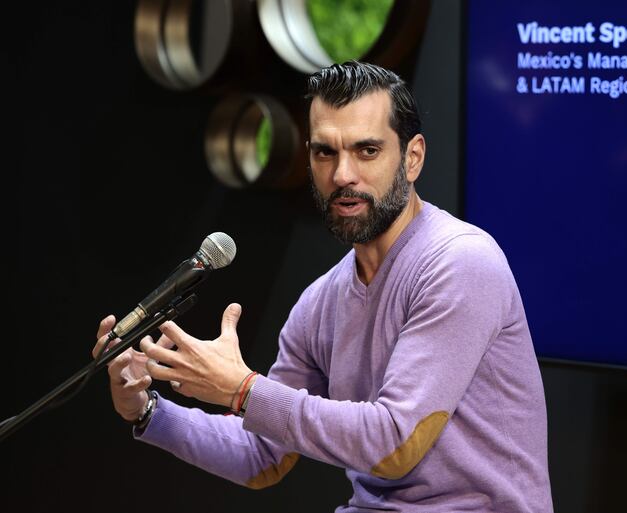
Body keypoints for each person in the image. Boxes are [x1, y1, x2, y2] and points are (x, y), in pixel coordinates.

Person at [93, 61, 553, 512]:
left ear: (412, 158)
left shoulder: (459, 261)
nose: (342, 175)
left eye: (367, 151)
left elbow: (396, 444)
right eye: (325, 152)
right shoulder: (321, 302)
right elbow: (262, 456)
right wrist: (147, 410)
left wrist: (242, 390)